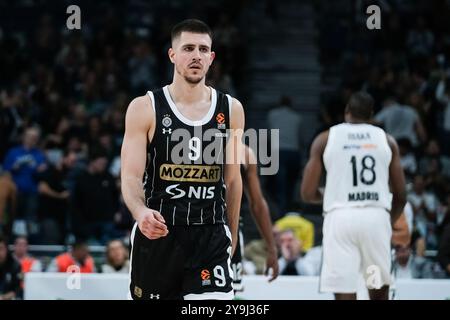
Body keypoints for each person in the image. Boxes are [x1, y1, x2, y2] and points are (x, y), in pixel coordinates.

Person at [120, 19, 244, 300]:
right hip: (159, 233)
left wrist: (232, 235)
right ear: (172, 54)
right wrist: (140, 213)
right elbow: (130, 176)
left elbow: (233, 180)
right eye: (188, 48)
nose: (196, 55)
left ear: (211, 58)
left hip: (209, 235)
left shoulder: (232, 109)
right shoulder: (144, 107)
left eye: (203, 49)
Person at [301, 91, 406, 300]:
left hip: (340, 220)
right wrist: (388, 221)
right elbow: (401, 195)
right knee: (376, 289)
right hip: (375, 221)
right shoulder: (387, 140)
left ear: (347, 112)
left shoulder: (325, 138)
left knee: (344, 293)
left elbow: (307, 193)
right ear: (372, 115)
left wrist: (333, 193)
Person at [231, 145, 279, 292]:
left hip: (228, 231)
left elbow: (257, 203)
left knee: (230, 292)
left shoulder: (243, 152)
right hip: (193, 227)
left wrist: (271, 248)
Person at [0, 235, 22, 300]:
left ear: (6, 250)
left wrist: (3, 297)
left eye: (1, 249)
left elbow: (17, 289)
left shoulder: (15, 265)